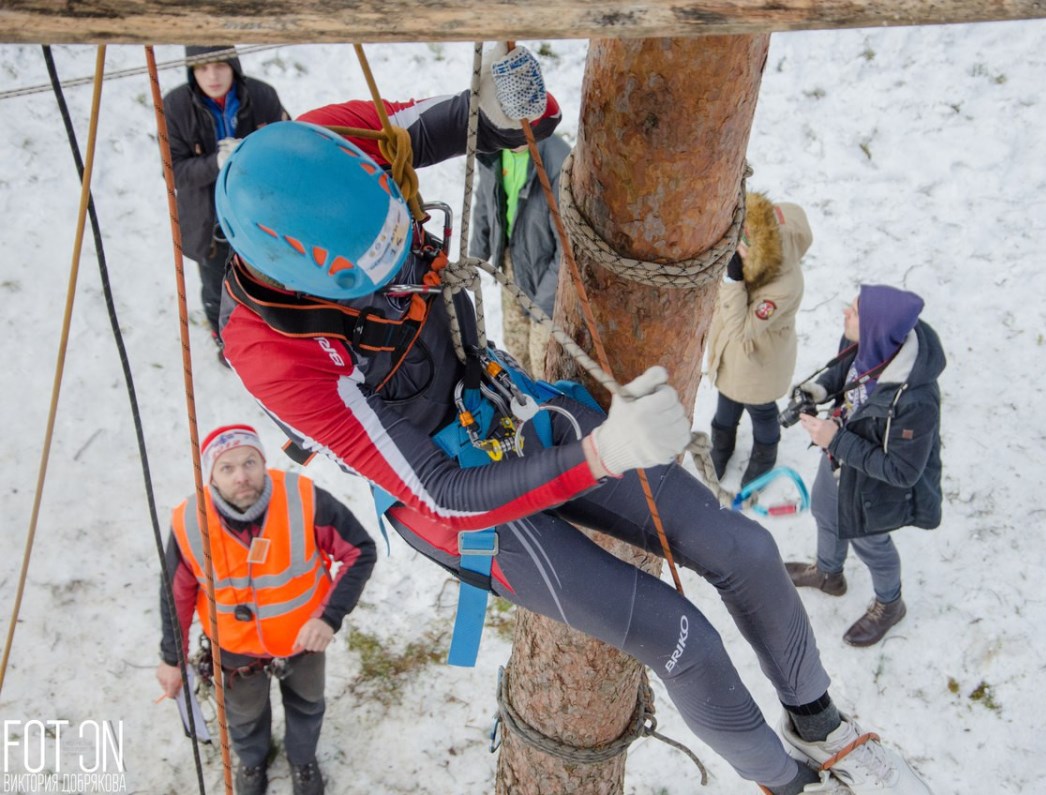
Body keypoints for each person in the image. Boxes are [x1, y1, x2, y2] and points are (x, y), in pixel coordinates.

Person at [211, 44, 930, 795]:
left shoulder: (333, 144)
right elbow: (441, 491)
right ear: (305, 279)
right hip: (454, 498)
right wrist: (606, 453)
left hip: (504, 401)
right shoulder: (274, 351)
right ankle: (790, 786)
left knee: (743, 548)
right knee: (680, 637)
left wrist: (507, 104)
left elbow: (479, 124)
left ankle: (819, 720)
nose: (399, 274)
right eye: (375, 275)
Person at [155, 424, 377, 795]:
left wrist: (328, 618)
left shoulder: (303, 497)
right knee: (243, 716)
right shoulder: (189, 521)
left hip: (304, 639)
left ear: (263, 462)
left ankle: (302, 760)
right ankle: (253, 761)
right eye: (227, 468)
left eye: (250, 462)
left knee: (307, 705)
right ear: (211, 476)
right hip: (234, 648)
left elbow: (360, 551)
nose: (241, 476)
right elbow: (175, 593)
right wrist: (171, 657)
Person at [789, 285, 944, 648]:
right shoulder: (870, 344)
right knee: (824, 510)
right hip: (839, 458)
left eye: (855, 311)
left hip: (875, 485)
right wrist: (818, 391)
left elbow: (903, 471)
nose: (846, 313)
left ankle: (890, 604)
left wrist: (835, 439)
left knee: (871, 544)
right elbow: (846, 370)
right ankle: (828, 574)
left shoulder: (917, 401)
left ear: (876, 327)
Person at [163, 45, 289, 363]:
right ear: (192, 71)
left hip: (259, 216)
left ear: (233, 65)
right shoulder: (176, 106)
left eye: (220, 65)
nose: (212, 76)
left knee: (268, 277)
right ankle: (225, 340)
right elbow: (174, 171)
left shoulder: (262, 96)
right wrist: (216, 162)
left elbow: (287, 145)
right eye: (202, 68)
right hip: (209, 223)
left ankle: (271, 334)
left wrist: (252, 154)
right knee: (216, 287)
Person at [706, 192, 812, 487]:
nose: (738, 246)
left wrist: (733, 280)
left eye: (745, 243)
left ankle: (765, 455)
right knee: (726, 402)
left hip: (758, 361)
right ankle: (722, 445)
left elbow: (742, 330)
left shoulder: (783, 287)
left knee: (761, 410)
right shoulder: (755, 255)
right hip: (732, 355)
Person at [470, 134, 571, 379]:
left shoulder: (557, 161)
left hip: (548, 272)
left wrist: (545, 302)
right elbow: (485, 201)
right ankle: (525, 399)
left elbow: (567, 247)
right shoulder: (493, 151)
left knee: (543, 360)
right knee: (515, 350)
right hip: (511, 263)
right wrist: (476, 255)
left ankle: (550, 401)